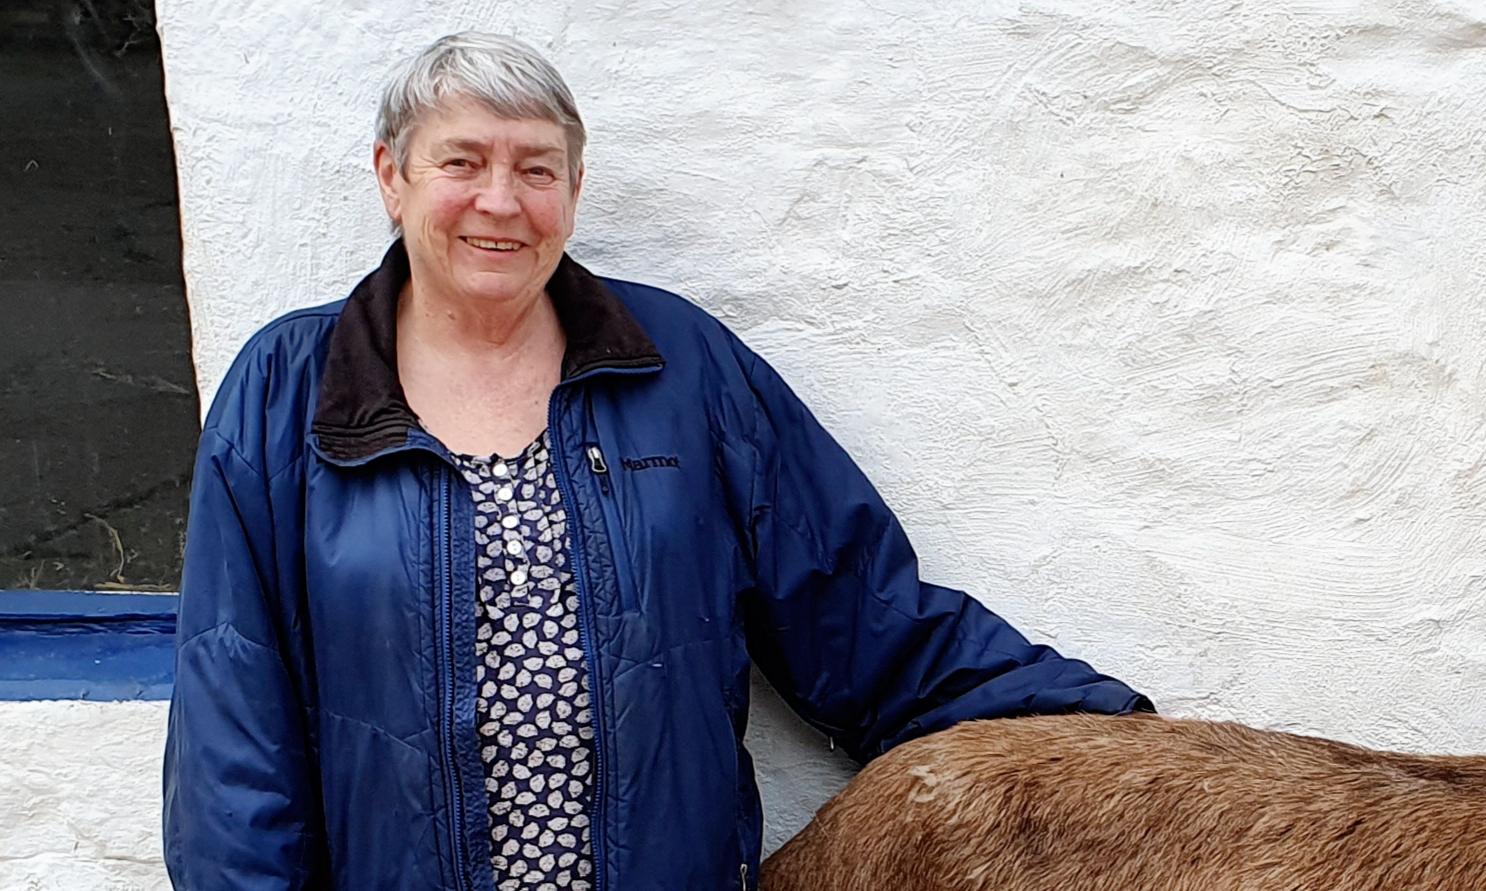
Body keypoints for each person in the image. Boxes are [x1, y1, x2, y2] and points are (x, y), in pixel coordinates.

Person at [160, 32, 1149, 890]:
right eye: (463, 162)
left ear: (575, 191)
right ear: (392, 176)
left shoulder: (682, 370)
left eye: (537, 169)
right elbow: (234, 736)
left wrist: (1108, 728)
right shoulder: (288, 390)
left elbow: (859, 621)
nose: (500, 201)